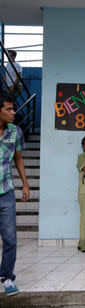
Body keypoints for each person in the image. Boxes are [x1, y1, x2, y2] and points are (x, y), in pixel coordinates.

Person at [0, 94, 29, 296]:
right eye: (9, 109)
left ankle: (7, 277)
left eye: (13, 108)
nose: (13, 112)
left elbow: (18, 158)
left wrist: (25, 185)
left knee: (10, 238)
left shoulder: (16, 132)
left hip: (6, 192)